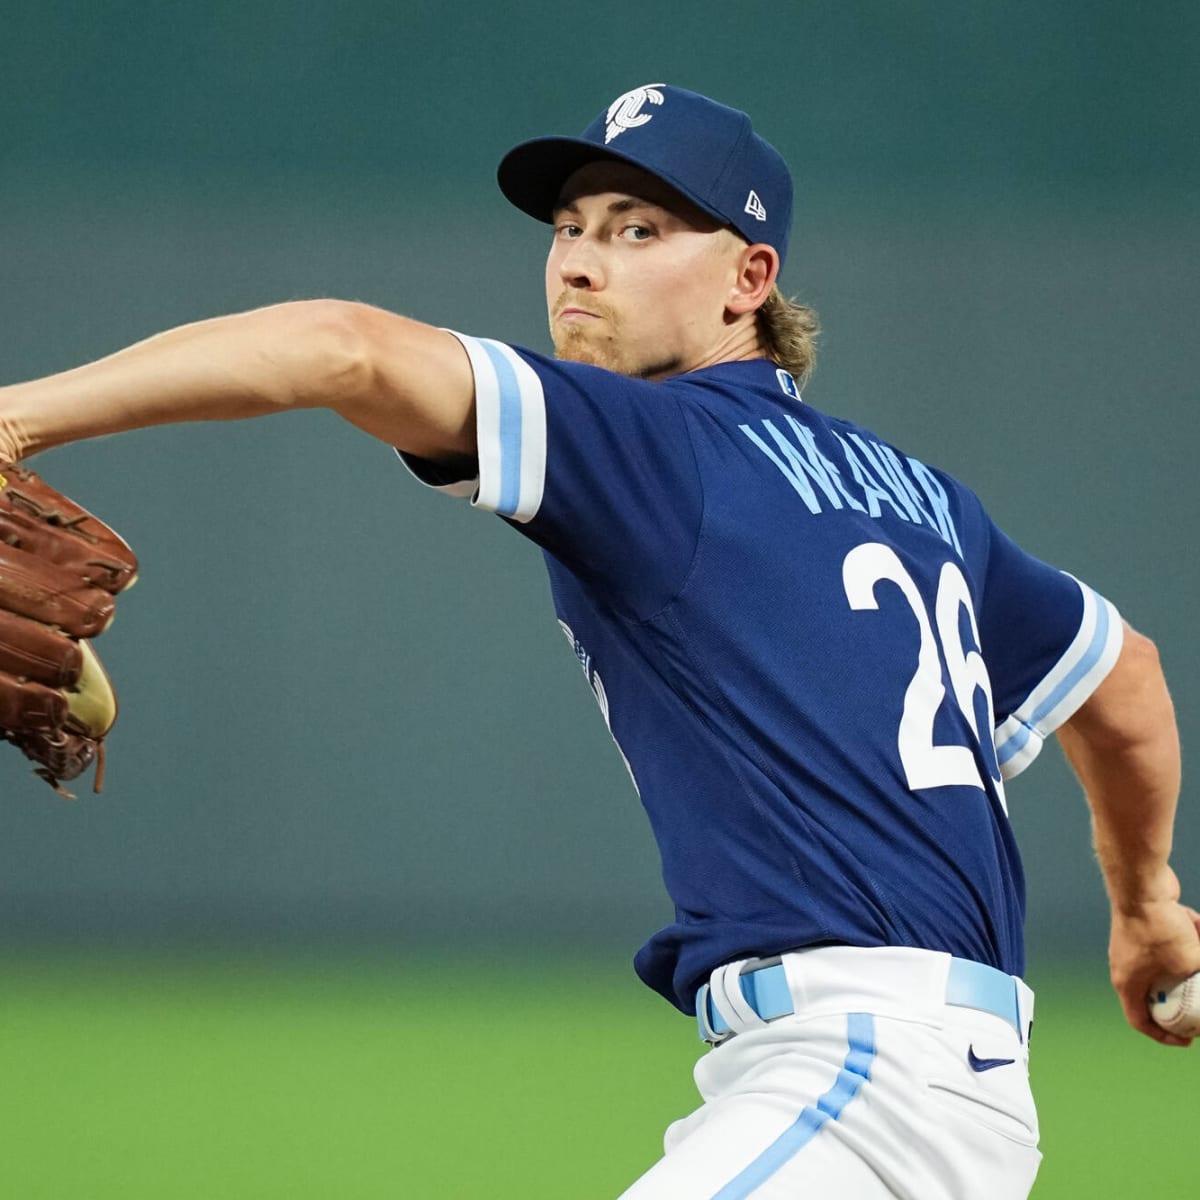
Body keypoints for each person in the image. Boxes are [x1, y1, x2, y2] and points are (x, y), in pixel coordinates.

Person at [1, 84, 1196, 1199]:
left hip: (864, 1086)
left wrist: (17, 417)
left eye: (637, 230)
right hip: (913, 1080)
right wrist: (1146, 901)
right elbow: (1123, 674)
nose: (579, 259)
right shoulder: (924, 500)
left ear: (749, 277)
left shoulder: (662, 446)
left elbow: (342, 345)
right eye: (569, 227)